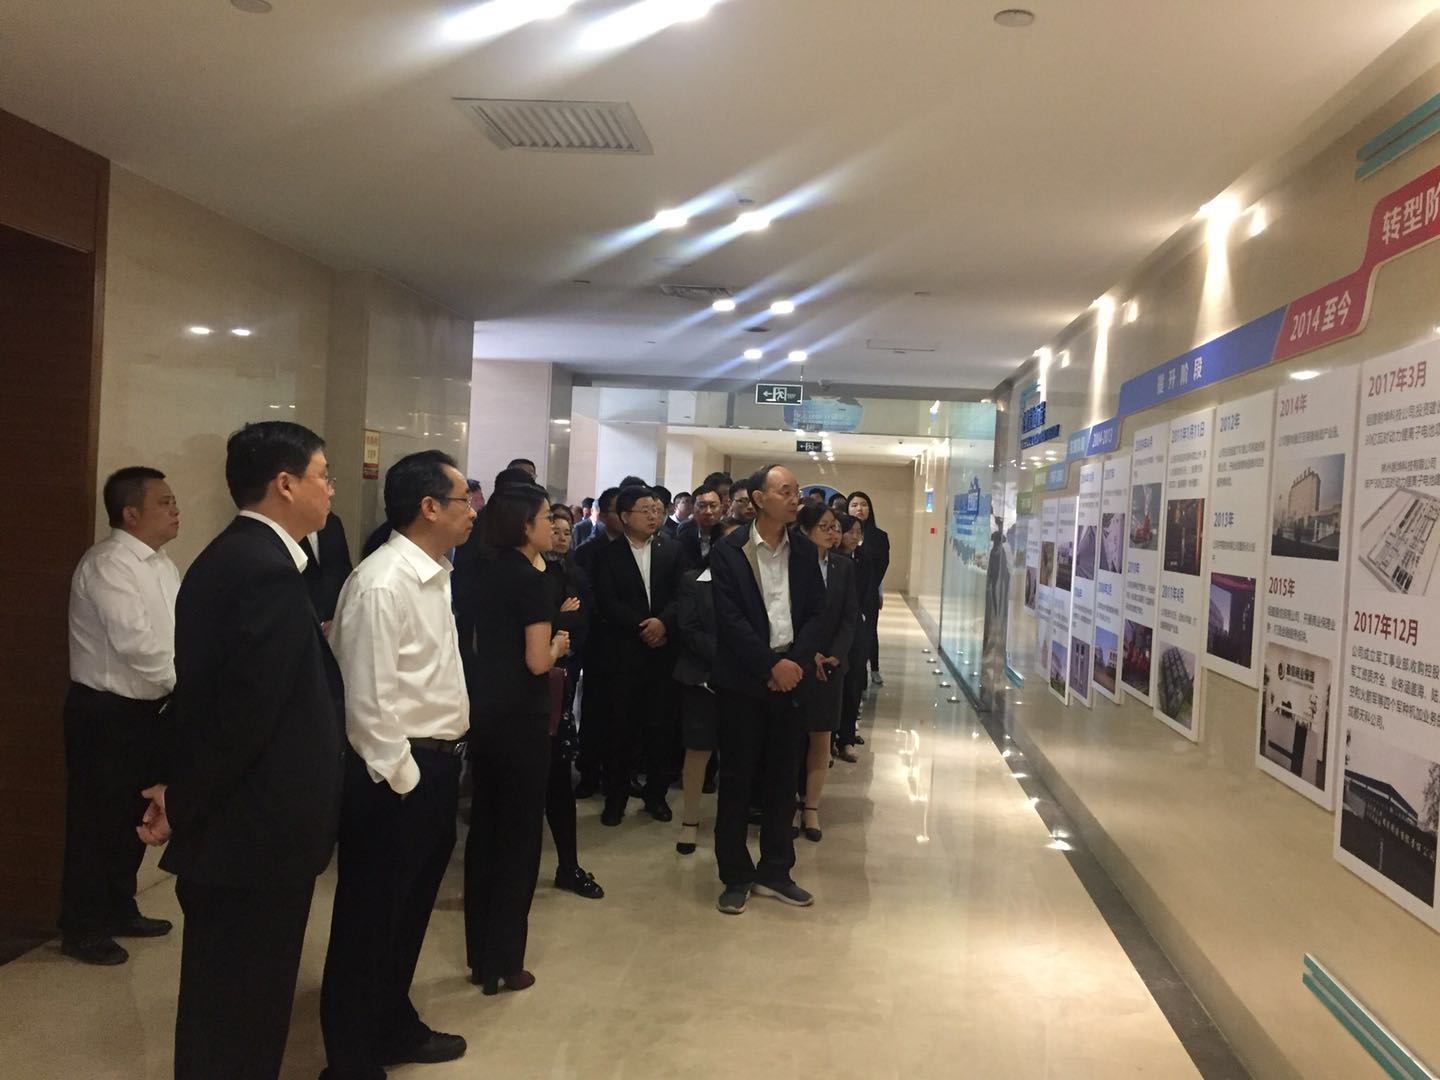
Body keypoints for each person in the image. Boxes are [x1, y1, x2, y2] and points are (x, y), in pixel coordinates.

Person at [138, 421, 344, 1080]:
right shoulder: (261, 570)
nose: (331, 490)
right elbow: (242, 717)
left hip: (245, 829)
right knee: (241, 1010)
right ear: (285, 484)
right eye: (322, 476)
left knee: (234, 1004)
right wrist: (183, 801)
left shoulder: (245, 559)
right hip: (253, 835)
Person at [318, 451, 475, 1079]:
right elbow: (368, 703)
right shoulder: (382, 582)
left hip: (433, 767)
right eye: (463, 499)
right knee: (370, 921)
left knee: (406, 916)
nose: (472, 510)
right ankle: (351, 1060)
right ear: (429, 507)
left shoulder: (433, 573)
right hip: (394, 776)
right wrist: (407, 779)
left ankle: (391, 1027)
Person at [60, 466, 180, 966]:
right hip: (106, 713)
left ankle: (118, 908)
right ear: (131, 513)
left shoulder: (162, 565)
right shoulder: (109, 564)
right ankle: (82, 927)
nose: (175, 510)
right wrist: (186, 684)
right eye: (164, 502)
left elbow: (176, 637)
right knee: (96, 820)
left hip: (150, 710)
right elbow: (137, 646)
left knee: (136, 813)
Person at [458, 483, 569, 995]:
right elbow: (537, 660)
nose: (552, 526)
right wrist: (559, 643)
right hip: (522, 717)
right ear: (525, 525)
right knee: (519, 839)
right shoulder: (531, 580)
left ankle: (480, 957)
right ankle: (506, 960)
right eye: (546, 518)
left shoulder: (481, 569)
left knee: (485, 831)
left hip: (484, 711)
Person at [709, 464, 827, 915]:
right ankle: (735, 874)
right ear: (759, 499)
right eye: (785, 491)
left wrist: (794, 663)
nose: (795, 499)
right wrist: (770, 664)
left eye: (796, 491)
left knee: (783, 778)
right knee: (737, 780)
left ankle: (777, 869)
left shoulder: (804, 550)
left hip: (791, 679)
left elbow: (817, 613)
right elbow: (729, 618)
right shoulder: (729, 549)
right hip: (744, 680)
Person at [592, 485, 682, 825]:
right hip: (624, 654)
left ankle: (656, 796)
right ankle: (615, 799)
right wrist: (643, 626)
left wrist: (663, 623)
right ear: (625, 516)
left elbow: (682, 595)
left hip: (663, 653)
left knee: (660, 729)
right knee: (621, 730)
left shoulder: (672, 550)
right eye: (645, 510)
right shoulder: (607, 554)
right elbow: (606, 600)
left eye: (656, 509)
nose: (653, 515)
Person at [542, 512, 604, 899]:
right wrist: (558, 617)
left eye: (566, 532)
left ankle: (568, 865)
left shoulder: (572, 572)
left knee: (559, 781)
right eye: (553, 528)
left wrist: (564, 623)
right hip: (523, 692)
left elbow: (581, 619)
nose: (560, 537)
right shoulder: (519, 573)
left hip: (558, 683)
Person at [672, 518, 742, 856]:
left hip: (743, 679)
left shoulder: (754, 584)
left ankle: (731, 822)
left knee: (737, 754)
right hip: (701, 675)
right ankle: (690, 820)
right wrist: (727, 656)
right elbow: (688, 628)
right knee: (698, 749)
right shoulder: (693, 580)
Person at [793, 503, 857, 842]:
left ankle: (811, 807)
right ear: (805, 531)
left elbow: (849, 616)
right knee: (791, 739)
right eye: (824, 526)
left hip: (831, 667)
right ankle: (789, 802)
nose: (833, 533)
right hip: (796, 663)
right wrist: (809, 654)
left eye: (835, 527)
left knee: (821, 737)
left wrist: (834, 655)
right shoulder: (790, 565)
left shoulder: (843, 567)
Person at [571, 486, 622, 796]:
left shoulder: (639, 548)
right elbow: (588, 598)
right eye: (618, 511)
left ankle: (620, 774)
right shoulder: (588, 551)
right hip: (599, 642)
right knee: (594, 710)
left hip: (629, 643)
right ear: (602, 515)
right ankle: (589, 773)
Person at [834, 512, 869, 762]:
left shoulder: (863, 560)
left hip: (855, 627)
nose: (854, 537)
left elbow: (865, 593)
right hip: (832, 629)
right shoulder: (830, 560)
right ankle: (828, 739)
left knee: (853, 682)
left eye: (858, 532)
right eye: (849, 531)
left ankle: (846, 737)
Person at [848, 490, 891, 686]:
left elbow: (882, 565)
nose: (859, 508)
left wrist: (872, 588)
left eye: (864, 504)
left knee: (869, 632)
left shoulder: (880, 537)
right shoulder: (841, 534)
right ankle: (856, 674)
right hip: (846, 592)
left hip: (869, 593)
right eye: (854, 505)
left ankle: (873, 668)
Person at [301, 510, 353, 631]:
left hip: (337, 625)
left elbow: (345, 573)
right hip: (300, 627)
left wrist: (340, 619)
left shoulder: (332, 522)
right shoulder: (280, 528)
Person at [676, 483, 724, 570]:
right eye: (702, 506)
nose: (708, 512)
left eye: (713, 506)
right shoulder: (684, 533)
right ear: (692, 509)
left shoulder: (728, 534)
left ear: (721, 508)